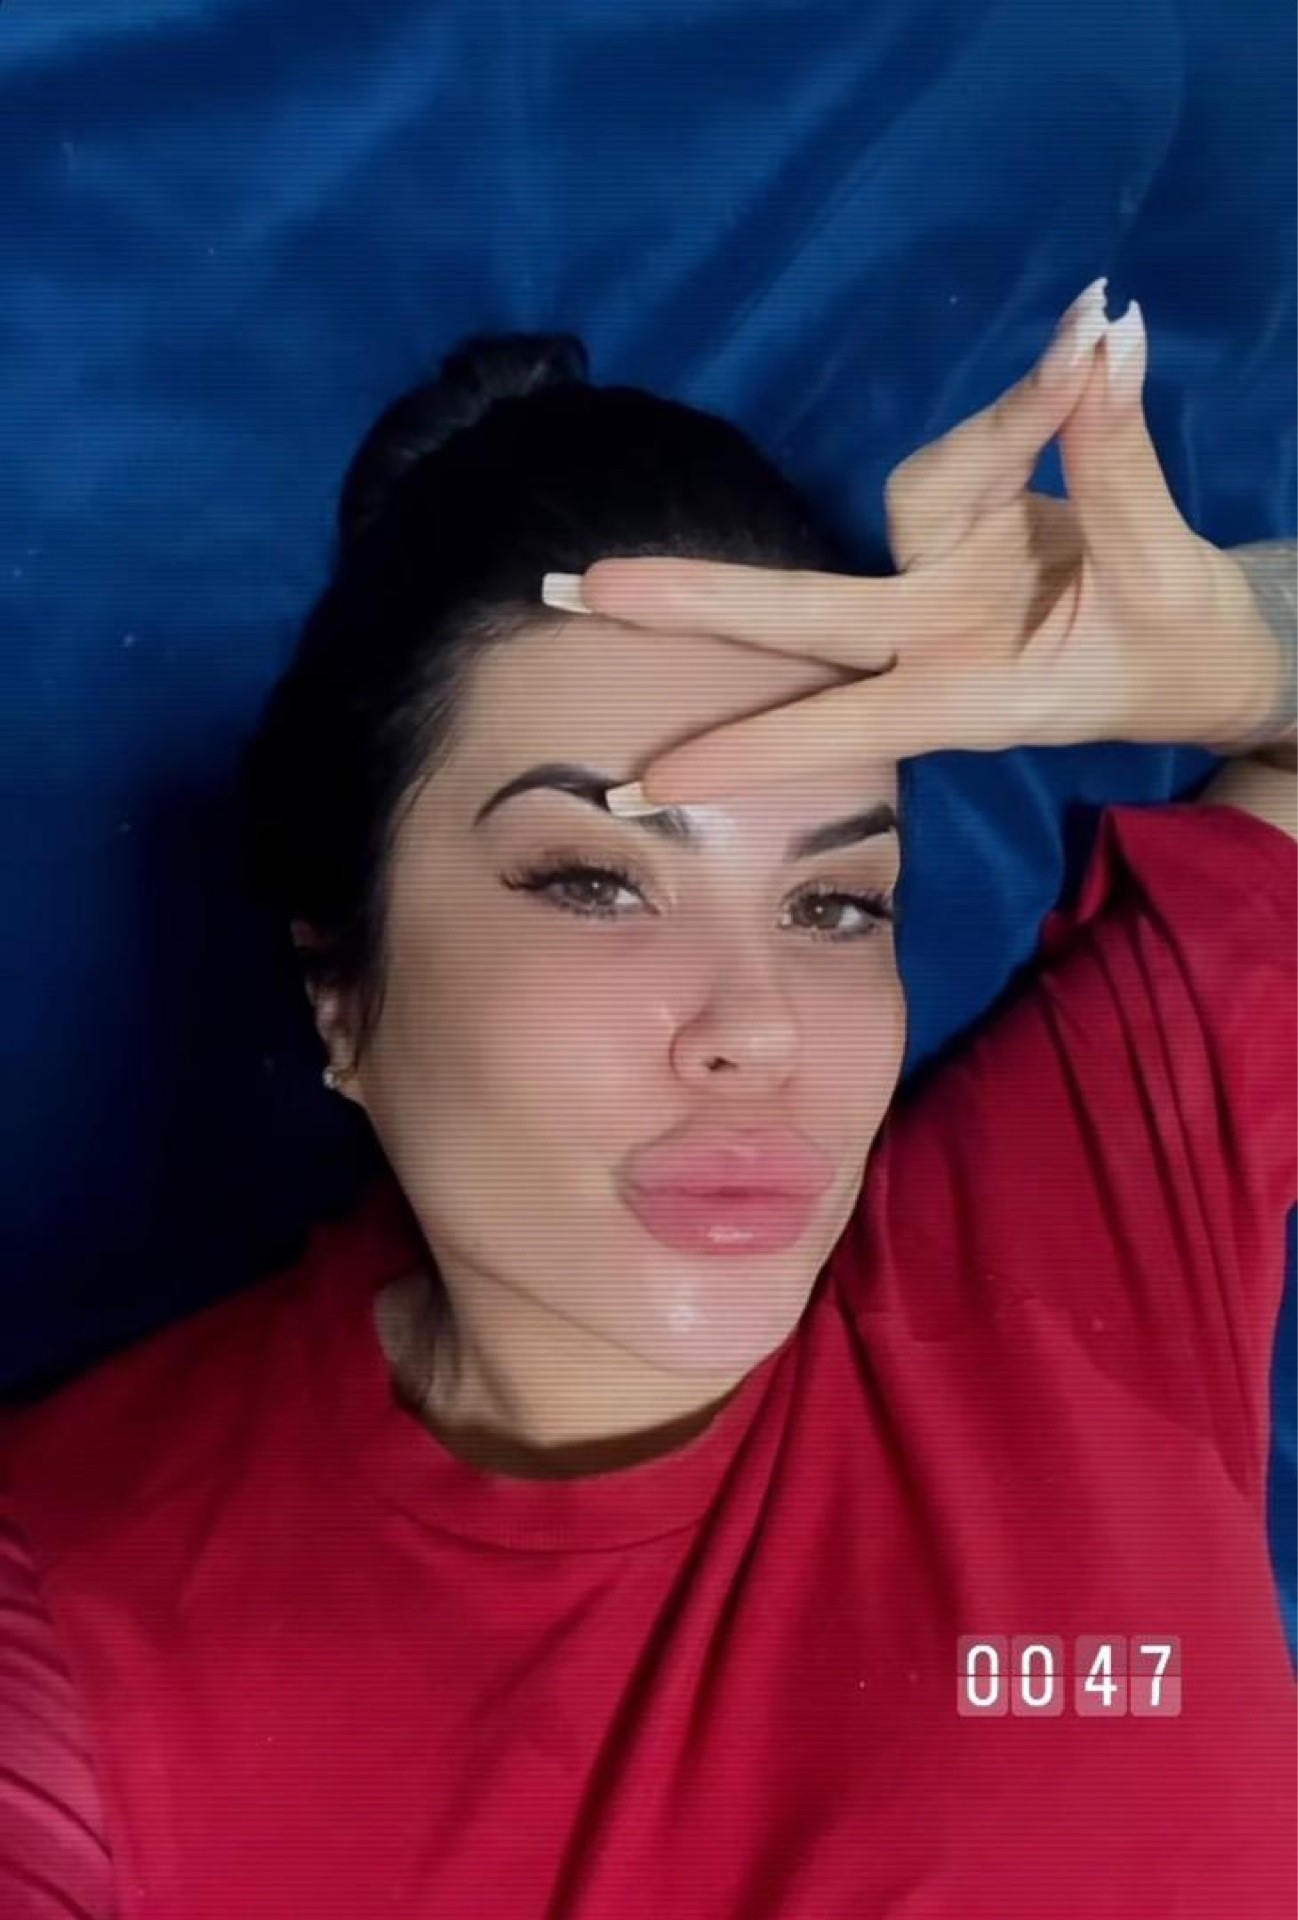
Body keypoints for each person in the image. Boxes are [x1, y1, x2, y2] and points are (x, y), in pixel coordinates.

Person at [0, 295, 1294, 1919]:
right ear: (341, 987)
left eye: (834, 906)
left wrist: (1243, 652)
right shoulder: (74, 1619)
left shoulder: (1073, 1232)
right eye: (594, 883)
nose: (757, 1030)